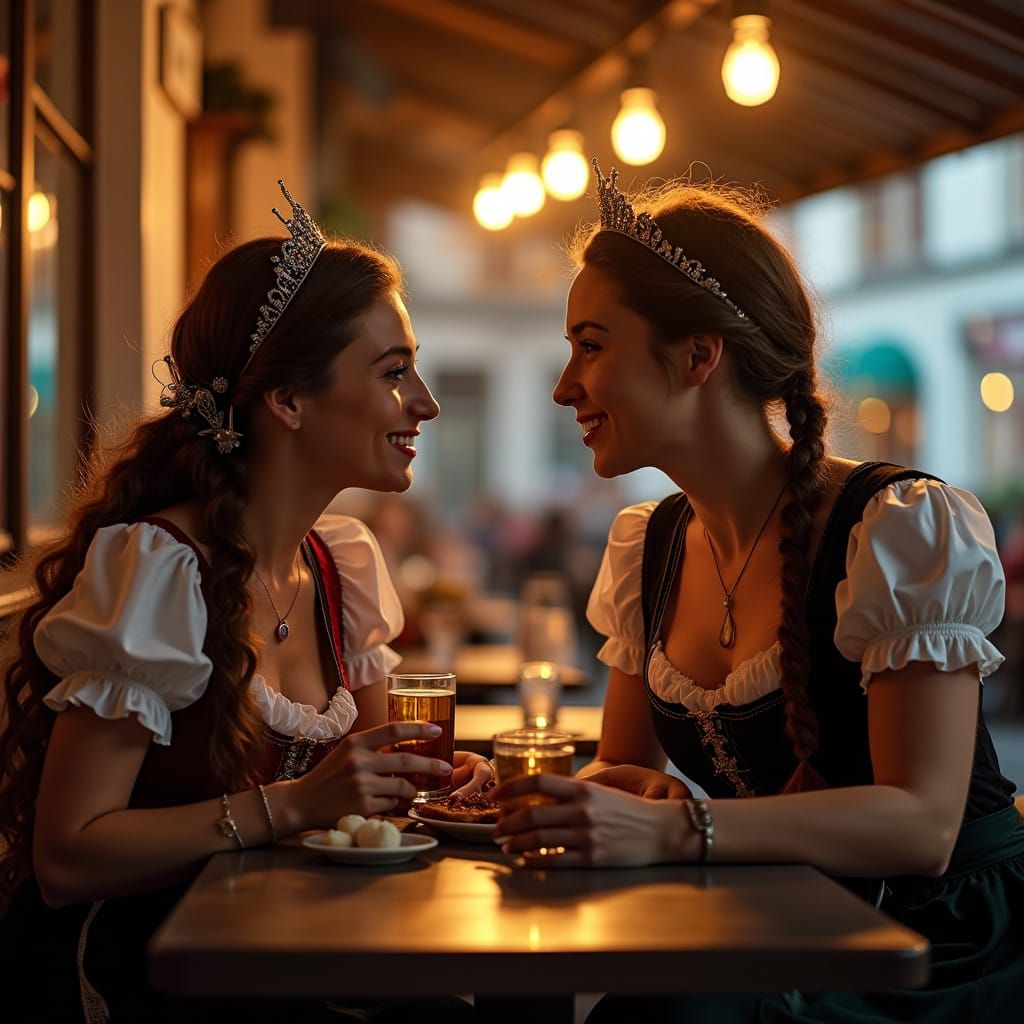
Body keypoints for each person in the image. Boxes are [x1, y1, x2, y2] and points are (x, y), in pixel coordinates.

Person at [493, 161, 1024, 1022]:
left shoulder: (894, 527)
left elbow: (920, 827)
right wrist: (590, 791)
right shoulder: (648, 547)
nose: (565, 385)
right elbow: (626, 767)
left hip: (938, 945)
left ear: (700, 354)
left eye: (590, 345)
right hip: (773, 919)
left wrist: (679, 829)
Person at [0, 182, 484, 1023]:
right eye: (394, 372)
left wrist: (441, 784)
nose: (425, 404)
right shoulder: (160, 570)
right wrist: (293, 806)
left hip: (276, 953)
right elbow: (67, 857)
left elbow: (368, 784)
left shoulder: (340, 565)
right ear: (288, 401)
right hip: (137, 975)